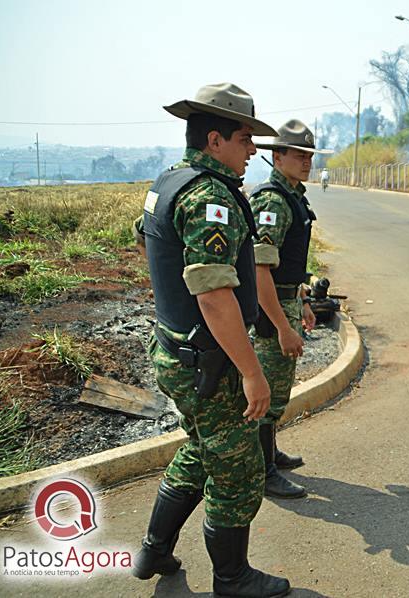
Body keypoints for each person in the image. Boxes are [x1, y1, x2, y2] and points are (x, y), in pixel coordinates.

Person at [131, 83, 292, 597]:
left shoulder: (169, 182)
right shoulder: (211, 197)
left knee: (202, 449)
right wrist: (252, 372)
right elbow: (216, 296)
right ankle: (232, 578)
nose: (253, 151)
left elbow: (147, 240)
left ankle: (155, 550)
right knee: (238, 471)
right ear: (216, 139)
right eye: (247, 139)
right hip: (210, 361)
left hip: (175, 349)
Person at [248, 119, 332, 499]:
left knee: (279, 389)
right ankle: (262, 472)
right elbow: (260, 269)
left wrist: (301, 304)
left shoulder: (293, 195)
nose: (306, 162)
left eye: (309, 155)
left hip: (284, 298)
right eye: (299, 155)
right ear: (277, 156)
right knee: (267, 393)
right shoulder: (272, 201)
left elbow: (287, 265)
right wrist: (282, 327)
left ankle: (271, 454)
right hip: (269, 307)